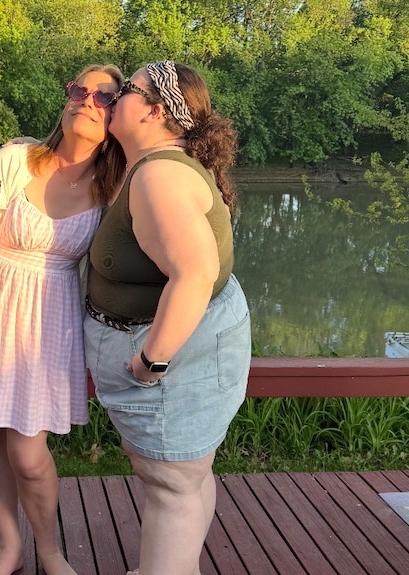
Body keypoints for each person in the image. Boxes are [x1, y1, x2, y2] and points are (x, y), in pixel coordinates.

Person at [0, 64, 125, 575]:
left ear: (118, 115)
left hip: (48, 321)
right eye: (78, 89)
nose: (86, 99)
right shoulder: (16, 159)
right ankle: (10, 547)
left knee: (30, 454)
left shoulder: (115, 187)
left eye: (103, 96)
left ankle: (50, 551)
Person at [83, 60, 251, 575]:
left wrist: (150, 361)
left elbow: (195, 273)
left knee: (171, 486)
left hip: (164, 366)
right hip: (186, 355)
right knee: (186, 477)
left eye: (126, 91)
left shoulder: (159, 176)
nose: (113, 99)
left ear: (155, 110)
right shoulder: (152, 165)